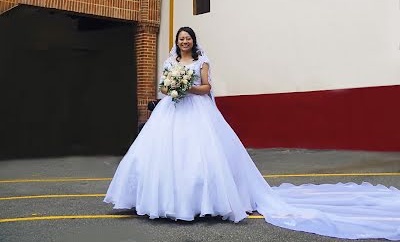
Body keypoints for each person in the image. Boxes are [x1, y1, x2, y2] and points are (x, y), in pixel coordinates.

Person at [104, 27, 400, 239]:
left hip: (197, 109)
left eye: (188, 38)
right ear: (177, 42)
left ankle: (209, 203)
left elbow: (207, 88)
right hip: (172, 111)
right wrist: (173, 89)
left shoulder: (201, 62)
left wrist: (189, 87)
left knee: (203, 157)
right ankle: (161, 202)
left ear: (193, 41)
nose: (184, 42)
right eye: (181, 39)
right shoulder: (170, 63)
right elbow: (164, 88)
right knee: (164, 156)